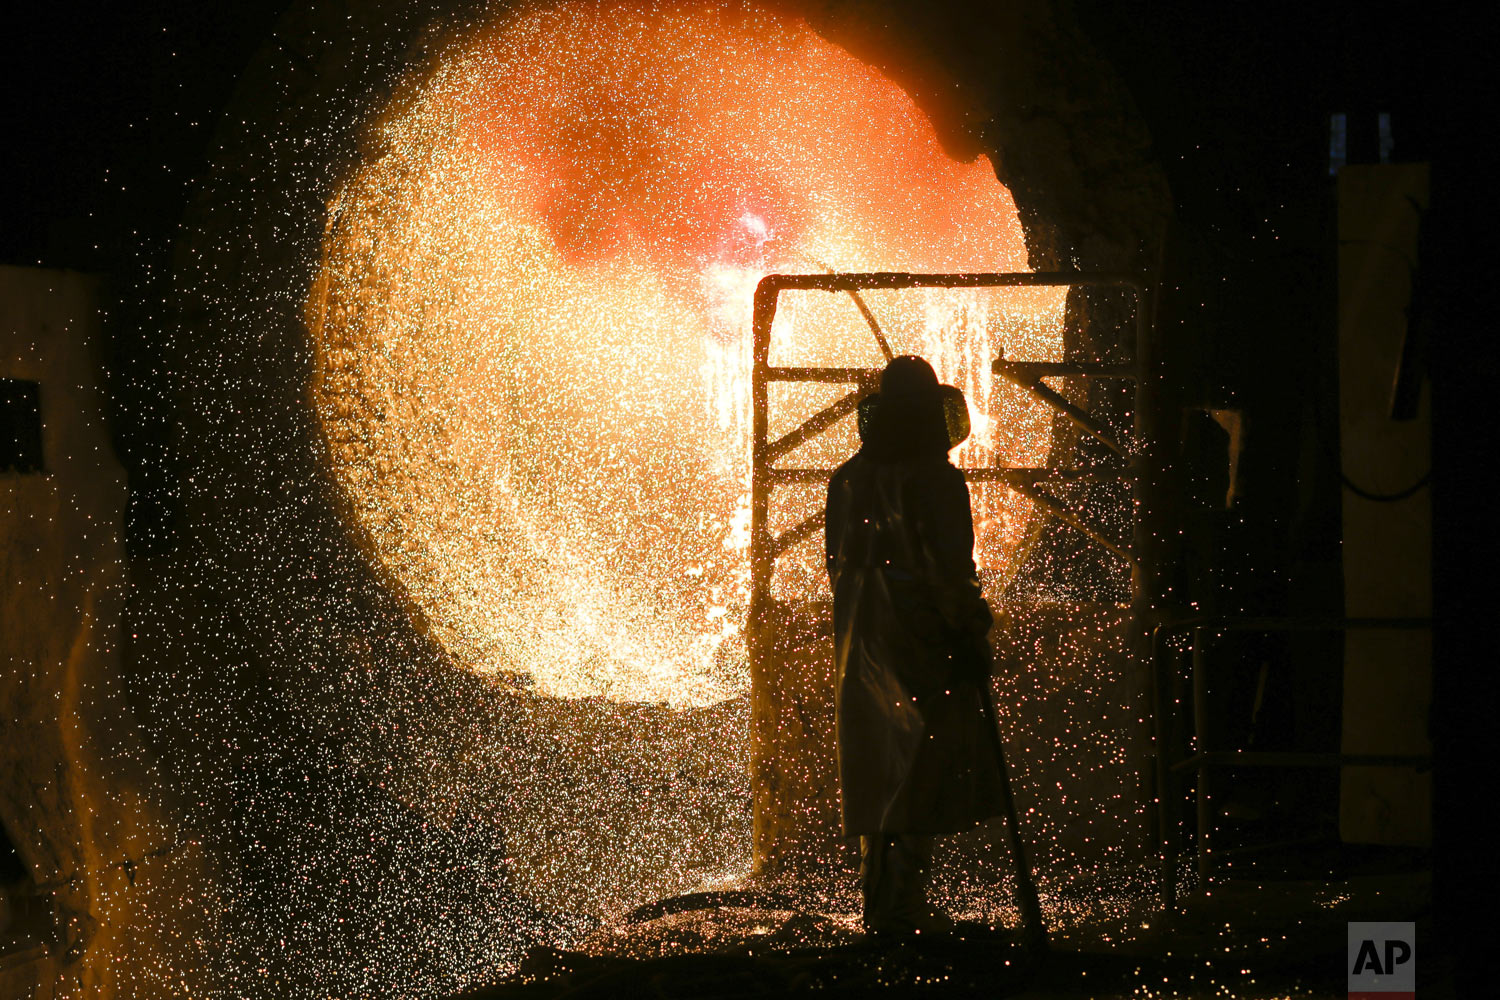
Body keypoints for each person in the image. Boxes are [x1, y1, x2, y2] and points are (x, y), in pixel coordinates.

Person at [824, 355, 1007, 935]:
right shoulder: (935, 477)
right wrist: (971, 629)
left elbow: (835, 564)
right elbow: (950, 571)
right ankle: (902, 903)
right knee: (922, 759)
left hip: (859, 630)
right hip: (918, 632)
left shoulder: (846, 478)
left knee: (878, 760)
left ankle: (882, 901)